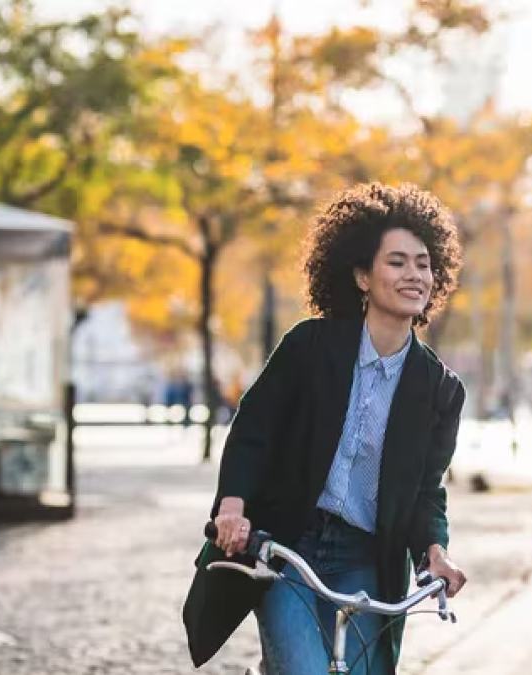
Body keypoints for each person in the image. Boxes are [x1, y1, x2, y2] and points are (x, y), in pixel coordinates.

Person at [209, 183, 468, 675]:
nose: (414, 274)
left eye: (423, 263)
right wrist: (233, 507)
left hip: (367, 558)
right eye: (396, 262)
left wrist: (436, 553)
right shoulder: (309, 347)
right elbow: (253, 430)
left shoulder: (440, 390)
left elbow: (425, 490)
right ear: (362, 276)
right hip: (288, 545)